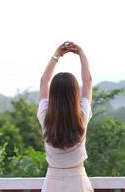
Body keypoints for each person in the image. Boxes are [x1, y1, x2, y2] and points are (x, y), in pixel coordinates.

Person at [37, 41, 93, 192]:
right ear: (75, 93)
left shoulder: (45, 116)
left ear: (52, 94)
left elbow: (44, 82)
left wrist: (57, 55)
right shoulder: (81, 115)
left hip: (52, 183)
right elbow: (88, 82)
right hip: (78, 181)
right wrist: (81, 53)